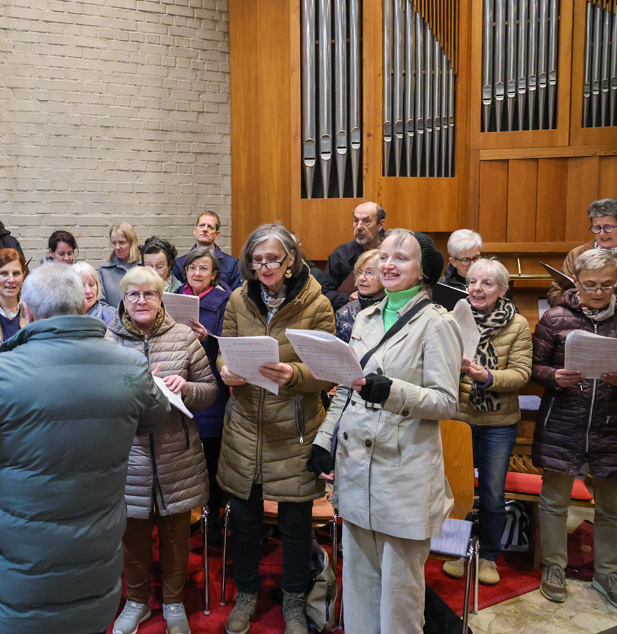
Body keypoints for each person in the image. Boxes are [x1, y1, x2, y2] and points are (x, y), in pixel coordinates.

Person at [0, 263, 169, 633]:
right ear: (82, 306)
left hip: (25, 563)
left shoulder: (4, 371)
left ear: (28, 313)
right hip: (97, 548)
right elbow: (155, 417)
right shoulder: (129, 365)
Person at [308, 229, 462, 634]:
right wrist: (323, 440)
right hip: (356, 467)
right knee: (359, 583)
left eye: (401, 258)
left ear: (422, 271)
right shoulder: (365, 317)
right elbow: (347, 386)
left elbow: (447, 401)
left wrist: (393, 392)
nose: (388, 264)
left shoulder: (437, 323)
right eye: (384, 256)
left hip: (403, 472)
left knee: (399, 593)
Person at [216, 223, 335, 634]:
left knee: (296, 528)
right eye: (257, 259)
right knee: (245, 522)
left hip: (294, 429)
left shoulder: (317, 304)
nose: (264, 267)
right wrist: (225, 369)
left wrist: (295, 374)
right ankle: (246, 595)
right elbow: (225, 347)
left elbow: (327, 371)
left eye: (273, 259)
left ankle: (294, 603)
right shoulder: (238, 299)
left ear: (290, 260)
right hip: (246, 426)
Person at [105, 266, 217, 634]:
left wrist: (186, 387)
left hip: (176, 454)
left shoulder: (183, 336)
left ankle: (173, 603)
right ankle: (136, 602)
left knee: (175, 535)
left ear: (161, 298)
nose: (141, 301)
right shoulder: (108, 341)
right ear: (123, 300)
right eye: (133, 294)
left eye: (149, 294)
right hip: (129, 454)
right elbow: (98, 397)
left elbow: (210, 391)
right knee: (133, 536)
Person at [531, 248, 617, 608]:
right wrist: (555, 376)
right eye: (591, 284)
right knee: (555, 502)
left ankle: (607, 572)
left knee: (611, 507)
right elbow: (534, 368)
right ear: (576, 282)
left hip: (610, 424)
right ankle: (554, 566)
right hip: (563, 420)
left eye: (608, 285)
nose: (599, 292)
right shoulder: (555, 318)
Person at [441, 259, 531, 587]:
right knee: (456, 489)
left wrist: (486, 376)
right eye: (472, 282)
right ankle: (455, 549)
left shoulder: (517, 324)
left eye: (487, 283)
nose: (477, 289)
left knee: (492, 494)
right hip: (459, 418)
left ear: (502, 290)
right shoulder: (452, 318)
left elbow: (521, 373)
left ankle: (489, 555)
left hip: (497, 423)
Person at [179, 247, 232, 526]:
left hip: (211, 383)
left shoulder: (224, 300)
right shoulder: (174, 296)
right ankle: (186, 517)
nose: (197, 273)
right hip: (179, 382)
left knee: (211, 456)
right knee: (182, 456)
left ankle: (212, 519)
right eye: (192, 267)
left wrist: (207, 339)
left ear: (214, 274)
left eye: (203, 268)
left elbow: (228, 345)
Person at [548, 198, 617, 306]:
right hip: (580, 314)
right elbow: (554, 294)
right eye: (597, 228)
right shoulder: (577, 254)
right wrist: (579, 300)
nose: (602, 234)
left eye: (608, 227)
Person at [320, 202, 387, 311]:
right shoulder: (341, 254)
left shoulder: (395, 250)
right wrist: (347, 297)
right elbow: (324, 293)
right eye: (356, 221)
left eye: (366, 221)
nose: (359, 227)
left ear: (380, 224)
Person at [171, 211, 242, 290]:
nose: (205, 229)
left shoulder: (232, 264)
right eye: (202, 225)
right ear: (195, 231)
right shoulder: (179, 264)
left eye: (210, 227)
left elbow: (236, 294)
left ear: (216, 235)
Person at [335, 249, 383, 343]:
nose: (361, 278)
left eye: (369, 272)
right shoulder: (344, 312)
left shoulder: (394, 310)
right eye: (359, 272)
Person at [98, 222, 141, 306]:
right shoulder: (104, 270)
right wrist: (117, 314)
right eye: (114, 243)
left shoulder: (144, 266)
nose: (117, 247)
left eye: (122, 242)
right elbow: (101, 303)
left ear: (132, 242)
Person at [72, 261, 117, 325]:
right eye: (81, 286)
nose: (88, 291)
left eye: (91, 285)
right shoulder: (61, 317)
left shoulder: (112, 316)